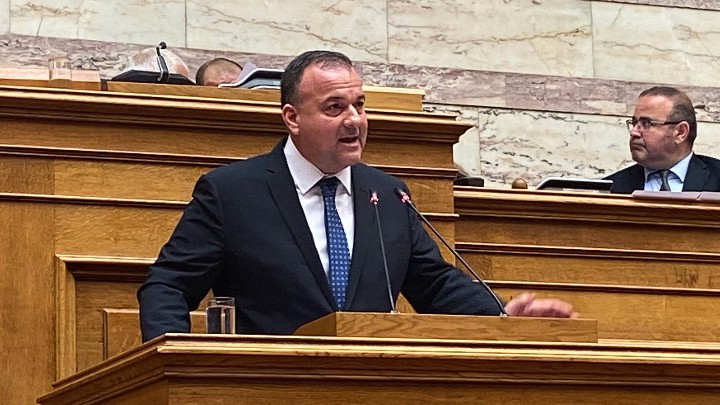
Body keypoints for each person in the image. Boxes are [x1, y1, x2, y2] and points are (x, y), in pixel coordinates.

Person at [137, 50, 576, 342]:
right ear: (292, 117)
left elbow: (435, 284)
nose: (355, 120)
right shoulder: (232, 192)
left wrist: (502, 318)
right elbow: (167, 286)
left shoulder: (387, 194)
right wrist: (179, 365)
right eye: (335, 107)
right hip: (268, 387)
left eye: (359, 105)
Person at [605, 86, 720, 193]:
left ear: (681, 132)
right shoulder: (611, 189)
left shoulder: (716, 179)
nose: (634, 132)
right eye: (634, 123)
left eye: (646, 123)